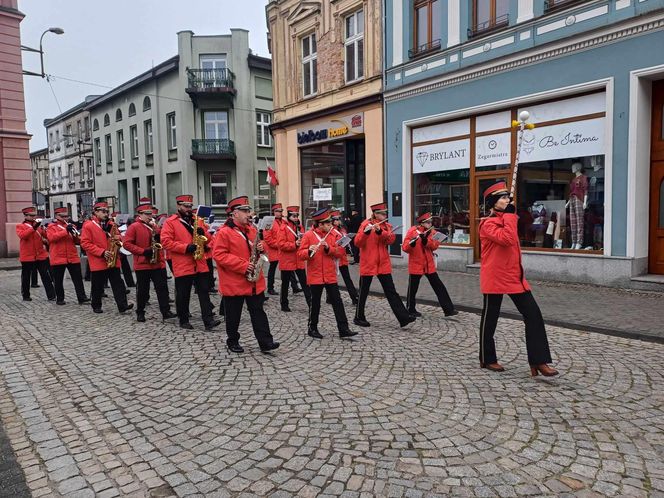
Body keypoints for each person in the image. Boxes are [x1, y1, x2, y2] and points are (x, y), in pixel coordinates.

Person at [478, 181, 558, 377]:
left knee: (534, 316)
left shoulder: (508, 218)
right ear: (493, 203)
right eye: (503, 198)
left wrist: (511, 215)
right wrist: (510, 216)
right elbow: (507, 239)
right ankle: (487, 358)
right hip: (495, 276)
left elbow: (518, 230)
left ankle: (538, 361)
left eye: (508, 197)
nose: (507, 200)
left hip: (514, 276)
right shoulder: (487, 223)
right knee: (490, 319)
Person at [213, 196, 279, 354]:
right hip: (234, 281)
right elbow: (219, 255)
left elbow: (258, 249)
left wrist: (263, 247)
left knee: (258, 312)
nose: (248, 214)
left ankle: (266, 342)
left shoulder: (252, 229)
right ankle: (232, 341)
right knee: (233, 314)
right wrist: (243, 265)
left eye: (248, 210)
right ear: (234, 213)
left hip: (253, 281)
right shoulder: (224, 232)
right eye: (244, 211)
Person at [160, 194, 220, 331]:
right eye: (185, 206)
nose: (188, 209)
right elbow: (166, 242)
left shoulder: (197, 221)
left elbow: (208, 239)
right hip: (183, 263)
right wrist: (186, 247)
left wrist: (204, 236)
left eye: (190, 206)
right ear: (178, 206)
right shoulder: (171, 222)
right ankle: (183, 319)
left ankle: (208, 320)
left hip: (200, 262)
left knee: (204, 292)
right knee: (183, 294)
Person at [353, 202, 415, 328]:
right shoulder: (365, 224)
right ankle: (359, 317)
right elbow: (357, 243)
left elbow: (391, 240)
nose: (385, 215)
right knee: (364, 291)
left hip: (383, 263)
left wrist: (381, 231)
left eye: (385, 213)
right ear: (375, 214)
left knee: (391, 291)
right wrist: (365, 232)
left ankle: (403, 317)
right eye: (382, 213)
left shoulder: (386, 226)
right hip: (369, 262)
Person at [298, 208, 357, 339]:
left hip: (330, 274)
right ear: (320, 224)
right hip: (316, 275)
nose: (331, 225)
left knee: (337, 302)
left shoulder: (333, 235)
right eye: (328, 223)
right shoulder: (308, 235)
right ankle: (312, 328)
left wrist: (328, 248)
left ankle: (344, 329)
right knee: (315, 303)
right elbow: (300, 254)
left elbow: (340, 252)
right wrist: (308, 251)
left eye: (330, 223)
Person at [122, 201, 177, 323]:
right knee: (142, 290)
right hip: (143, 263)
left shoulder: (154, 226)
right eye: (147, 214)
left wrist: (158, 234)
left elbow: (163, 239)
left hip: (157, 262)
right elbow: (126, 244)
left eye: (150, 214)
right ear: (140, 214)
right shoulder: (134, 227)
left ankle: (165, 311)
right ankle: (140, 312)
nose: (149, 216)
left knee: (162, 288)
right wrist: (142, 251)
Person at [80, 202, 133, 314]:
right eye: (103, 212)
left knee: (118, 283)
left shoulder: (111, 225)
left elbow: (118, 237)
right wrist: (101, 252)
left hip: (113, 259)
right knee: (97, 285)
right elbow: (85, 243)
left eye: (107, 211)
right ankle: (96, 305)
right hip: (99, 260)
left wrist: (117, 238)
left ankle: (122, 305)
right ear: (96, 212)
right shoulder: (89, 225)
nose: (106, 214)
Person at [402, 212, 458, 317]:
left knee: (439, 286)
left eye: (430, 222)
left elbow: (434, 246)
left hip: (428, 265)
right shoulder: (412, 231)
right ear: (422, 223)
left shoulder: (433, 232)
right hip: (416, 264)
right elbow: (405, 248)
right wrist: (411, 244)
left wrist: (425, 241)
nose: (430, 224)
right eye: (427, 222)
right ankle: (410, 309)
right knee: (413, 289)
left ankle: (448, 309)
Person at [46, 207, 89, 305]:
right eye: (63, 216)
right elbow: (51, 238)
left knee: (78, 279)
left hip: (72, 256)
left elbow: (77, 241)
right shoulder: (51, 226)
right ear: (57, 216)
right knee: (58, 280)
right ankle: (60, 299)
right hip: (58, 257)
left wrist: (78, 236)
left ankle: (82, 297)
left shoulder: (71, 226)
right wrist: (65, 231)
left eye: (67, 216)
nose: (66, 218)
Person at [15, 206, 55, 302]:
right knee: (26, 277)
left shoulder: (38, 226)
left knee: (46, 276)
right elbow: (23, 236)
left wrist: (46, 228)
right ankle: (26, 295)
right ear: (26, 215)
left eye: (34, 215)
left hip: (40, 255)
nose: (34, 217)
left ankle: (52, 295)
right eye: (31, 215)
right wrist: (33, 228)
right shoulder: (20, 226)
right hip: (27, 256)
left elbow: (46, 236)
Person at [264, 203, 302, 296]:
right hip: (275, 250)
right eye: (277, 211)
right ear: (273, 212)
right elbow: (267, 238)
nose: (280, 213)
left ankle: (294, 287)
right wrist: (280, 245)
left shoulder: (284, 222)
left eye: (281, 211)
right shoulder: (269, 222)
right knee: (272, 269)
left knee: (290, 268)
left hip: (284, 250)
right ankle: (270, 288)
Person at [278, 206, 311, 311]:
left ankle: (311, 303)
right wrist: (294, 244)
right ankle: (284, 304)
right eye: (293, 216)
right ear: (289, 216)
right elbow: (281, 244)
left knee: (305, 283)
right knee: (285, 284)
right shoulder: (283, 228)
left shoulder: (300, 227)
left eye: (297, 215)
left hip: (298, 259)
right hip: (287, 259)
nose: (296, 218)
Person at [330, 210, 358, 304]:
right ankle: (329, 297)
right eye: (337, 219)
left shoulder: (342, 230)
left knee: (347, 278)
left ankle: (354, 297)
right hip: (334, 258)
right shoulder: (330, 231)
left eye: (339, 219)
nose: (339, 221)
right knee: (331, 279)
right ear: (332, 221)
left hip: (343, 258)